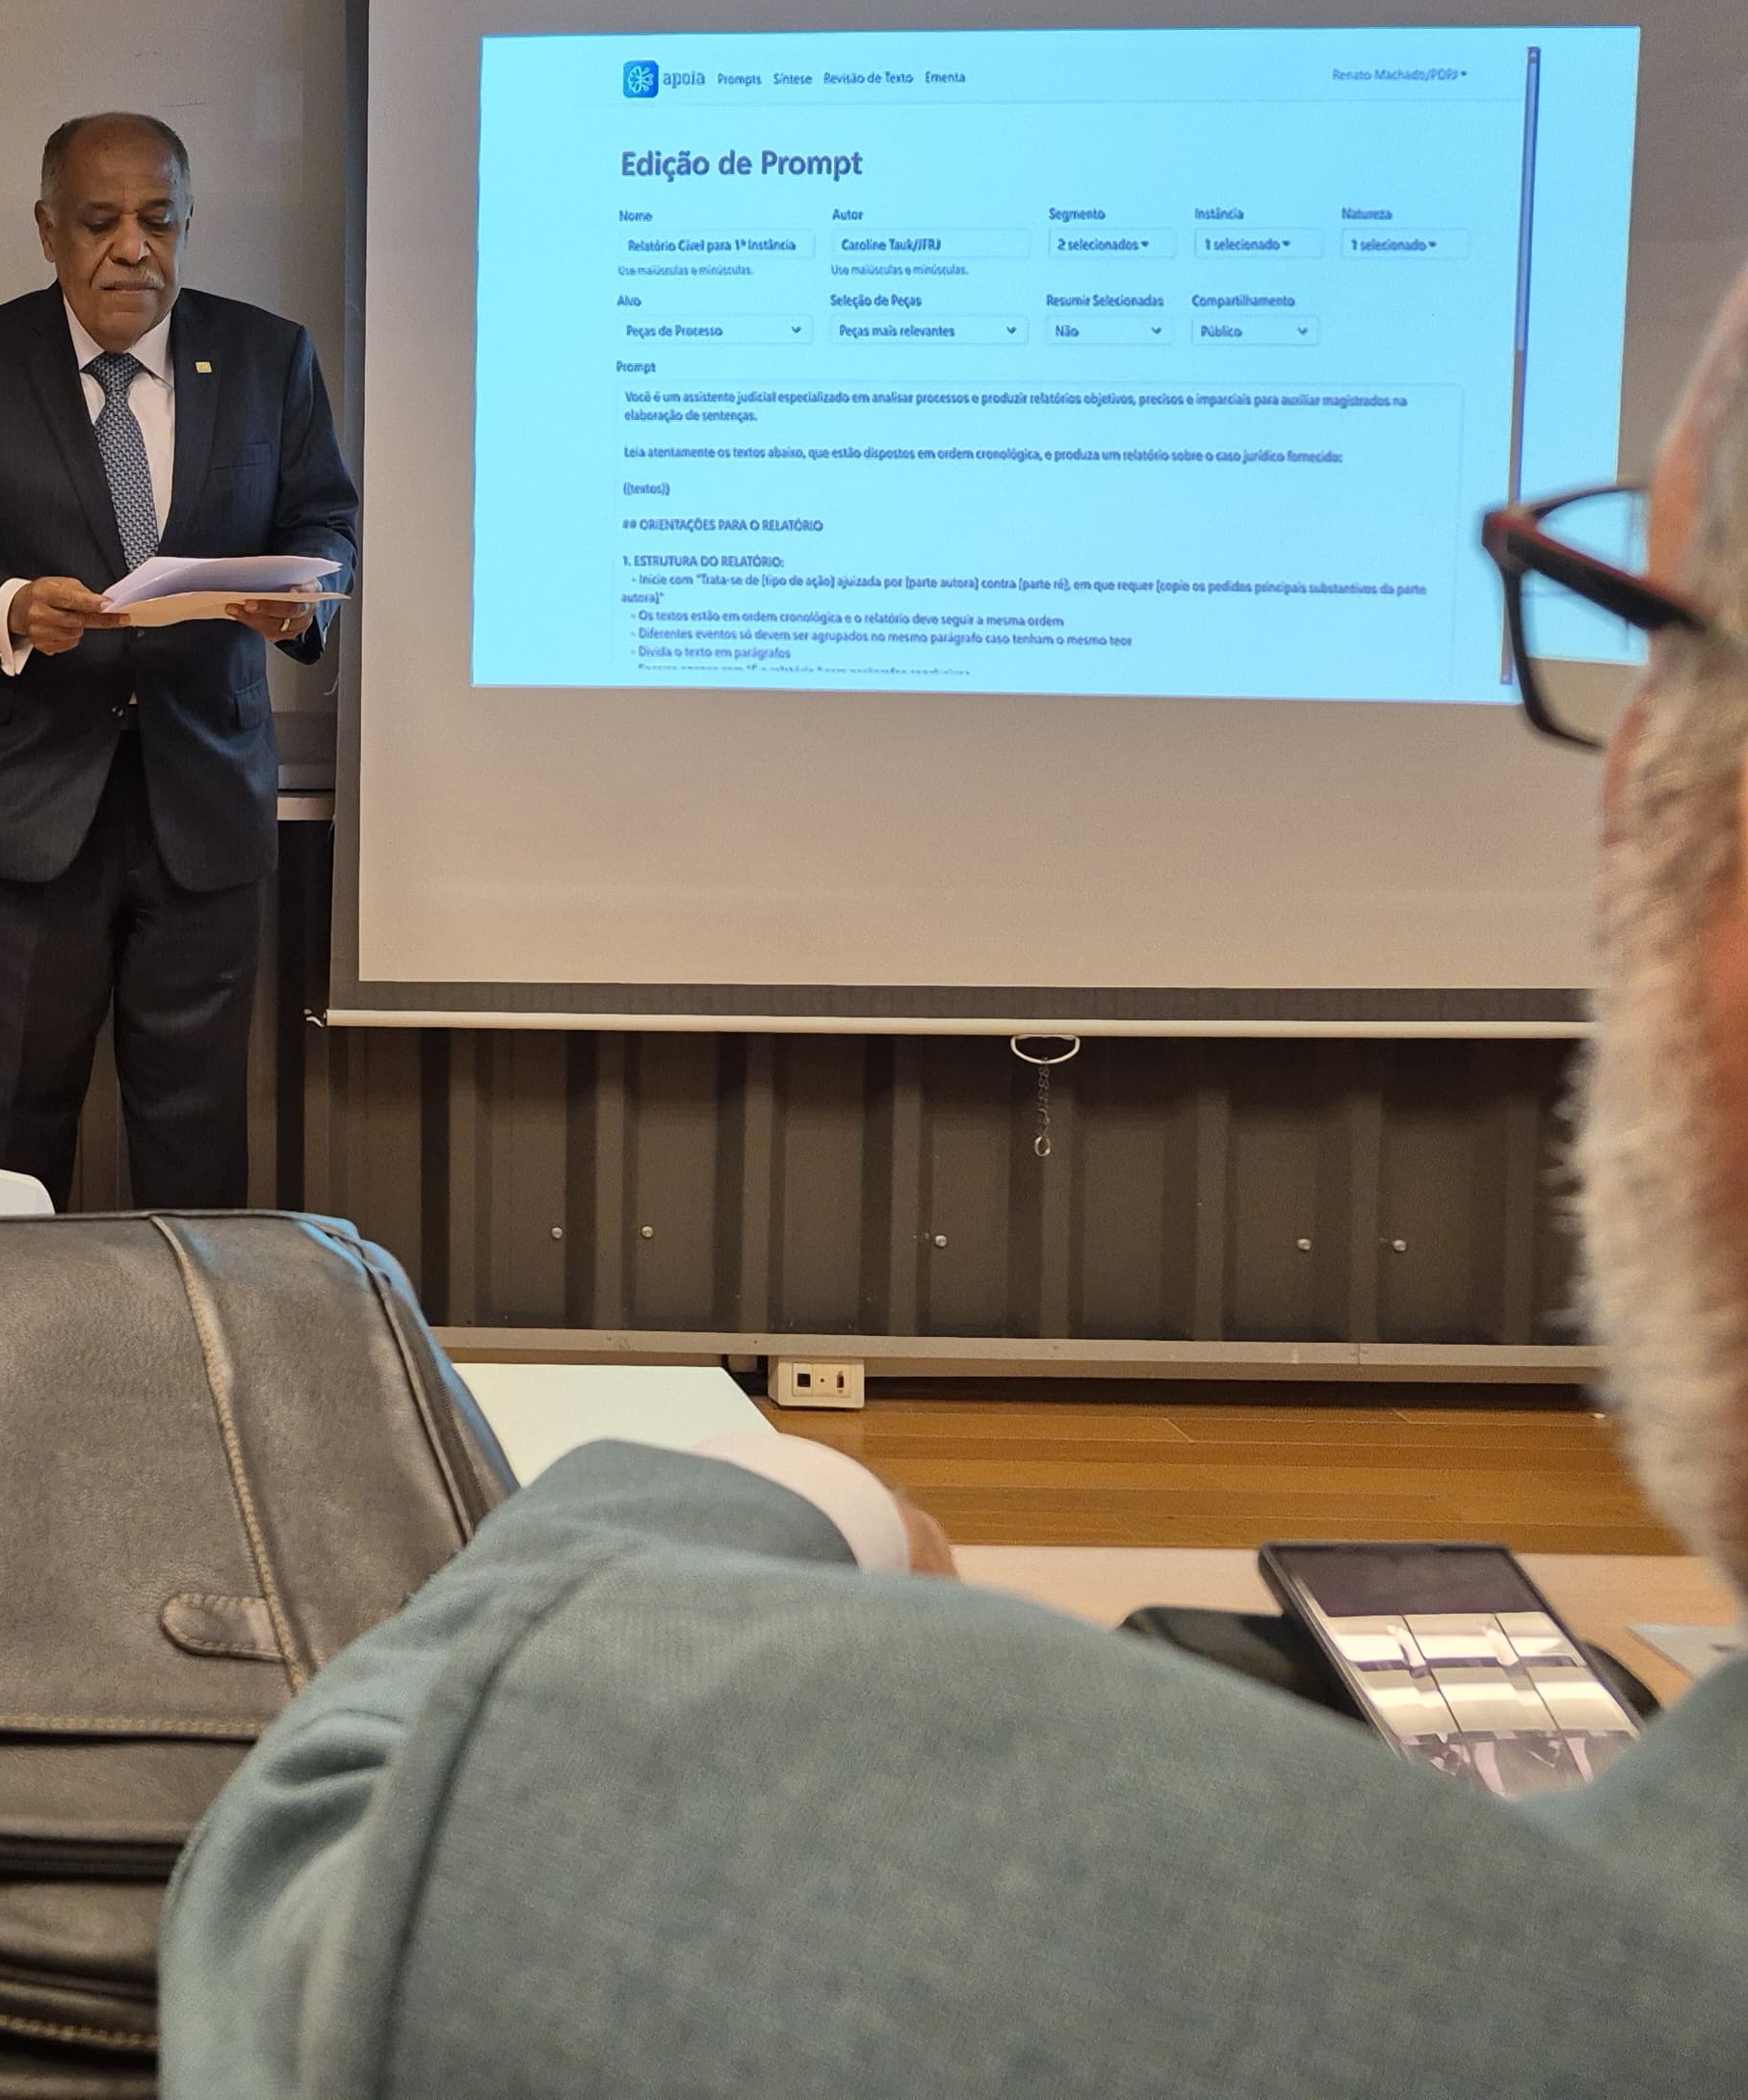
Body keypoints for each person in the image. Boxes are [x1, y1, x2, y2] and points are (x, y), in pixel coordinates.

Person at [159, 270, 1748, 2096]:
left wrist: (753, 1498)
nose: (1621, 781)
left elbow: (313, 1894)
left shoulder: (1199, 1942)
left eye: (1654, 643)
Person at [0, 111, 357, 1207]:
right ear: (48, 230)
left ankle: (189, 1318)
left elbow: (326, 516)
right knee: (10, 1124)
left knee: (195, 1128)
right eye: (100, 222)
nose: (132, 248)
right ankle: (8, 1321)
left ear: (187, 223)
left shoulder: (267, 355)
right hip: (29, 803)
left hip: (204, 798)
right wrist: (8, 606)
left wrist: (301, 598)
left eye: (157, 220)